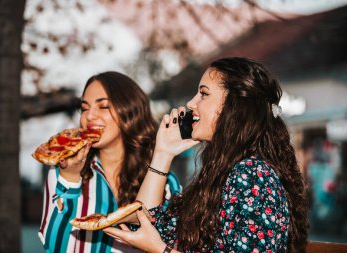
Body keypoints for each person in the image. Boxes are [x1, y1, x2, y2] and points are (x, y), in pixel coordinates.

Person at [103, 57, 308, 252]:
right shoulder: (224, 173)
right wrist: (163, 153)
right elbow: (146, 225)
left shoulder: (252, 175)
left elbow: (155, 240)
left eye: (203, 94)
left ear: (234, 106)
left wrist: (160, 250)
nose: (191, 104)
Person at [38, 71, 181, 253]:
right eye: (84, 108)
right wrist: (70, 179)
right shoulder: (62, 170)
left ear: (130, 111)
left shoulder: (165, 181)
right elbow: (54, 247)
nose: (89, 116)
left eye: (103, 106)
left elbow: (174, 243)